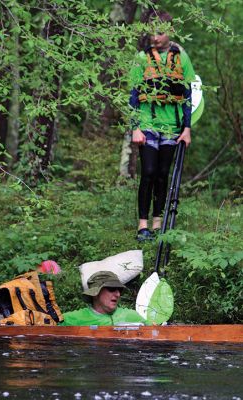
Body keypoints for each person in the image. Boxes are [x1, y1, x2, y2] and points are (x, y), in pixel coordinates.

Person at [129, 11, 195, 241]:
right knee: (147, 172)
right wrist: (135, 128)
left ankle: (158, 222)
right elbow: (133, 97)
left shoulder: (182, 59)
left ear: (171, 32)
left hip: (172, 127)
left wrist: (186, 129)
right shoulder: (141, 58)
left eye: (160, 32)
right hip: (148, 124)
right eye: (152, 32)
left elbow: (187, 96)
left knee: (162, 174)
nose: (155, 37)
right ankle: (142, 225)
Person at [59, 271, 147, 326]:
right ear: (96, 293)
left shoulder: (131, 316)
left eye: (119, 290)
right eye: (111, 289)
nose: (118, 294)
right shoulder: (75, 319)